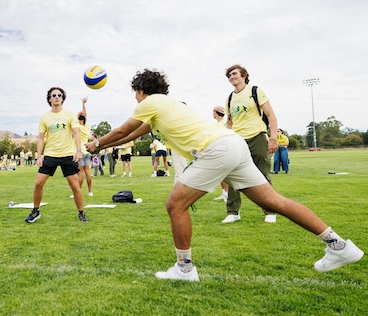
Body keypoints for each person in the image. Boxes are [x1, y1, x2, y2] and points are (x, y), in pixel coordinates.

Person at [85, 68, 364, 281]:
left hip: (216, 149)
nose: (134, 97)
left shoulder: (150, 102)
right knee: (272, 202)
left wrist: (96, 143)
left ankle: (184, 268)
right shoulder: (166, 106)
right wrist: (98, 145)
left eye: (135, 92)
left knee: (175, 204)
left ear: (141, 90)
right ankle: (338, 245)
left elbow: (123, 130)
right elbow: (131, 134)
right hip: (233, 145)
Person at [223, 64, 278, 224]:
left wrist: (273, 138)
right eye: (229, 76)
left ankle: (270, 210)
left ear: (244, 75)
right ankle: (233, 212)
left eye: (234, 74)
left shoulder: (255, 91)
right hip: (238, 140)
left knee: (262, 174)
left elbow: (271, 115)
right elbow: (230, 123)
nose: (231, 77)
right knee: (233, 175)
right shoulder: (229, 98)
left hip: (257, 137)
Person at [25, 87, 88, 223]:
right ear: (50, 98)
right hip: (50, 155)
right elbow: (41, 138)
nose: (57, 97)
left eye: (59, 95)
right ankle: (36, 211)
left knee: (75, 185)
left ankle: (81, 213)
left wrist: (78, 151)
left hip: (67, 154)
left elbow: (76, 133)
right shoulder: (44, 117)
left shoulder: (70, 115)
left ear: (62, 98)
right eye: (54, 95)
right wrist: (39, 155)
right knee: (38, 183)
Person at [75, 97, 93, 196]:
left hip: (80, 151)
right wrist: (83, 104)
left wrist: (78, 114)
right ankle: (90, 192)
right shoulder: (87, 126)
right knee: (87, 172)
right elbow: (85, 115)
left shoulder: (78, 127)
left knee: (80, 172)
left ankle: (78, 192)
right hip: (87, 150)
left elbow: (75, 118)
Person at [212, 106, 229, 202]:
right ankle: (224, 193)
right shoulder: (219, 123)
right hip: (219, 150)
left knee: (225, 174)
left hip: (223, 150)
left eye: (213, 111)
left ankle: (227, 194)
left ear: (216, 112)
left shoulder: (223, 124)